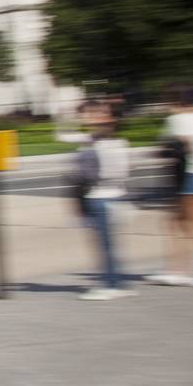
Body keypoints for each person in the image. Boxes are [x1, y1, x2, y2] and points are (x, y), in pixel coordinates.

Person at [147, 87, 193, 285]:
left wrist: (163, 151)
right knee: (177, 224)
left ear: (178, 103)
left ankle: (179, 270)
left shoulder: (178, 120)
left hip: (191, 176)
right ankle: (178, 270)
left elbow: (177, 147)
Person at [74, 104, 133, 300]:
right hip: (117, 196)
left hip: (99, 198)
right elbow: (126, 172)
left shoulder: (93, 147)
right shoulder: (120, 143)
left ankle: (111, 285)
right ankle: (118, 283)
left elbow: (85, 176)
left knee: (104, 245)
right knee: (111, 245)